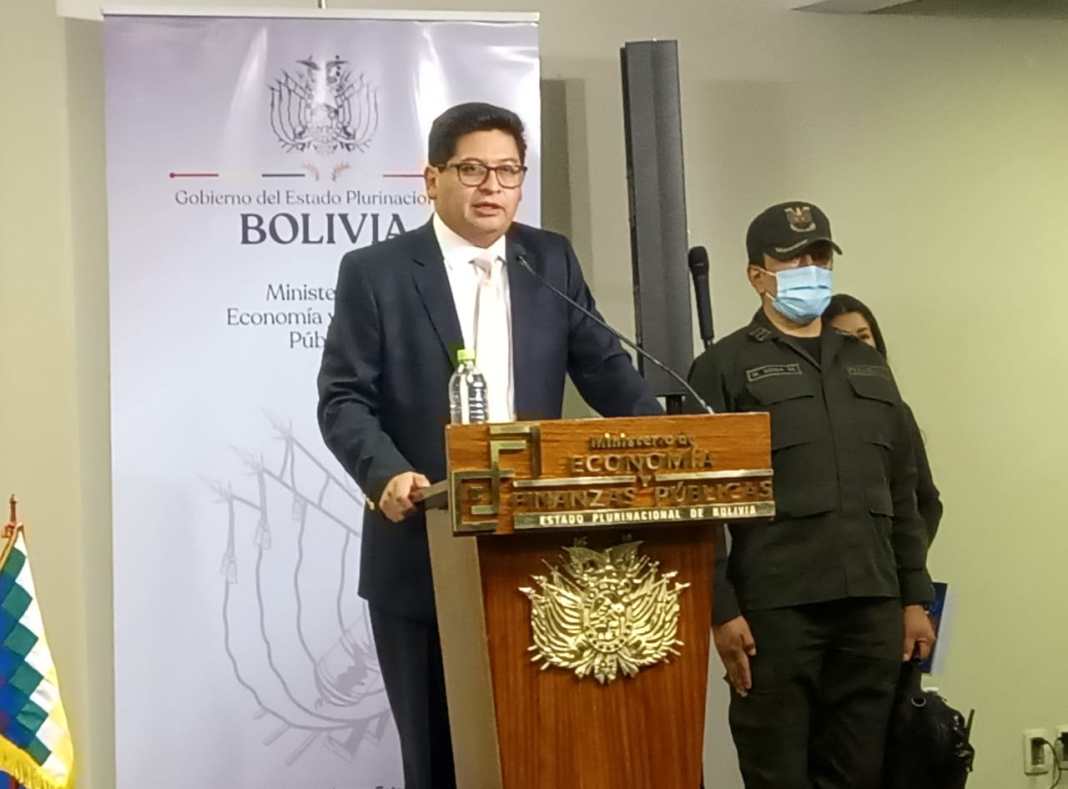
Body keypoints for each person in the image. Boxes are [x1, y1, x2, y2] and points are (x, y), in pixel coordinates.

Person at [317, 102, 662, 789]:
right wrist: (386, 474)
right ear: (432, 178)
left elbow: (605, 370)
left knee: (542, 750)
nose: (492, 187)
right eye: (472, 169)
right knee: (439, 757)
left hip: (539, 554)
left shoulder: (548, 259)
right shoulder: (377, 271)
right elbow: (343, 397)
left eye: (508, 171)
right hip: (422, 548)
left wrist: (664, 433)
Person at [687, 201, 936, 789]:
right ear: (758, 276)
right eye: (794, 259)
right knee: (777, 773)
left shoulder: (867, 366)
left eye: (820, 257)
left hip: (871, 604)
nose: (811, 269)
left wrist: (914, 597)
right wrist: (720, 610)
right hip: (776, 611)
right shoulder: (723, 367)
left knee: (859, 773)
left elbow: (902, 489)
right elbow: (699, 504)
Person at [824, 294, 943, 543]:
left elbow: (927, 501)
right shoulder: (813, 414)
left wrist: (908, 556)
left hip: (888, 558)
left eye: (863, 336)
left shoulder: (896, 410)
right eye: (843, 338)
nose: (857, 347)